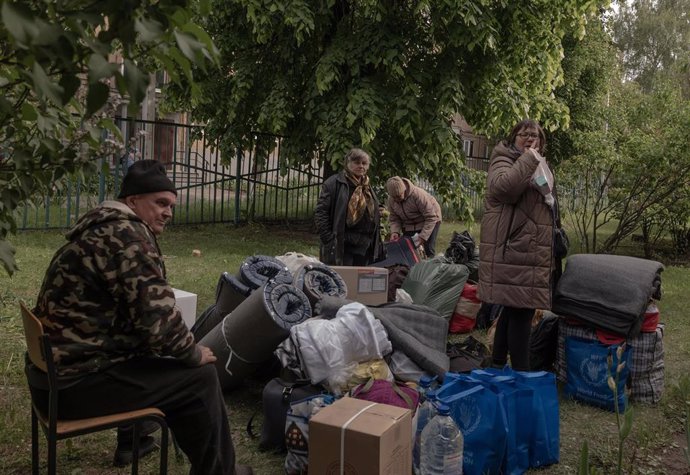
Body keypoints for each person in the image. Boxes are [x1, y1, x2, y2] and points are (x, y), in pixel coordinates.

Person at [25, 160, 252, 475]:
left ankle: (137, 441)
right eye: (160, 203)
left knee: (161, 361)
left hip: (53, 379)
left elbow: (142, 320)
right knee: (198, 377)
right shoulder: (129, 237)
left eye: (171, 205)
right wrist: (193, 352)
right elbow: (160, 323)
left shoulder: (101, 227)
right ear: (132, 200)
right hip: (71, 388)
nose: (168, 212)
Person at [478, 119, 562, 371]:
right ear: (512, 137)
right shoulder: (503, 159)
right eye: (523, 135)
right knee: (522, 311)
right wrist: (529, 158)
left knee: (514, 308)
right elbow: (504, 188)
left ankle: (497, 363)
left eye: (534, 136)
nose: (529, 139)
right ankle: (521, 373)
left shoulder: (538, 163)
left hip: (529, 248)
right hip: (513, 248)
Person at [314, 148, 383, 266]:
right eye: (357, 162)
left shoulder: (366, 185)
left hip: (365, 244)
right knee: (344, 279)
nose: (361, 166)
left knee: (360, 281)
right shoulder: (333, 183)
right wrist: (329, 239)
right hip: (343, 243)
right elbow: (321, 212)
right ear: (347, 163)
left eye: (364, 163)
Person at [385, 176, 442, 257]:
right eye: (394, 197)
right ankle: (412, 268)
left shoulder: (417, 195)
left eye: (399, 195)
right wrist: (395, 231)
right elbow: (394, 218)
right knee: (407, 248)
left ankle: (430, 267)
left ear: (404, 190)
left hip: (432, 218)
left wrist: (423, 236)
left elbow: (431, 217)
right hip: (409, 223)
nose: (397, 199)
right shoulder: (391, 200)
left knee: (428, 248)